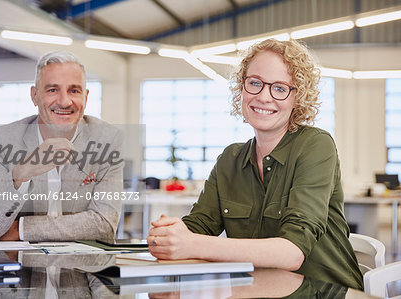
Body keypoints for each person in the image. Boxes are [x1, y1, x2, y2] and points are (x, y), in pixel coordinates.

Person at [147, 39, 363, 289]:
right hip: (258, 290)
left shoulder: (316, 146)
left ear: (298, 97)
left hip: (325, 292)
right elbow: (198, 227)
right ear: (242, 87)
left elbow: (292, 253)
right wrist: (169, 233)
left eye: (280, 88)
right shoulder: (230, 159)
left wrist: (191, 244)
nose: (263, 96)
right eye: (255, 83)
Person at [0, 51, 123, 242]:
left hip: (79, 267)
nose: (64, 102)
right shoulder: (3, 140)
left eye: (74, 91)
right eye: (52, 90)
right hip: (18, 266)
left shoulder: (107, 140)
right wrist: (19, 176)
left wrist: (22, 229)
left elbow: (105, 225)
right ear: (34, 96)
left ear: (86, 96)